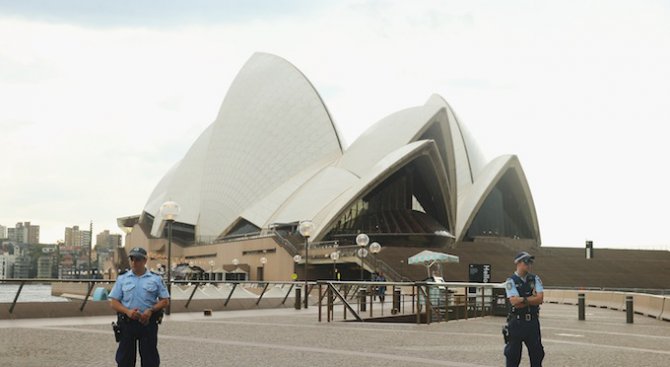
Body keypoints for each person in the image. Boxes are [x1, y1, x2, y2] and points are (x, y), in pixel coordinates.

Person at [109, 247, 170, 367]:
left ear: (145, 260)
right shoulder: (122, 278)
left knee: (150, 360)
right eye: (132, 259)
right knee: (125, 360)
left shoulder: (155, 279)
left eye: (137, 259)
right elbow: (114, 302)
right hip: (127, 324)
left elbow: (165, 301)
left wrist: (151, 310)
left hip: (148, 323)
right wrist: (127, 311)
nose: (134, 262)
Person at [504, 251, 545, 367]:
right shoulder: (510, 281)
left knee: (537, 354)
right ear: (518, 263)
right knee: (513, 355)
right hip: (516, 322)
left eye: (530, 262)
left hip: (532, 322)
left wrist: (523, 300)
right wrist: (531, 299)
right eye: (526, 261)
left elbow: (540, 299)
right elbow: (514, 302)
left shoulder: (535, 279)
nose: (529, 264)